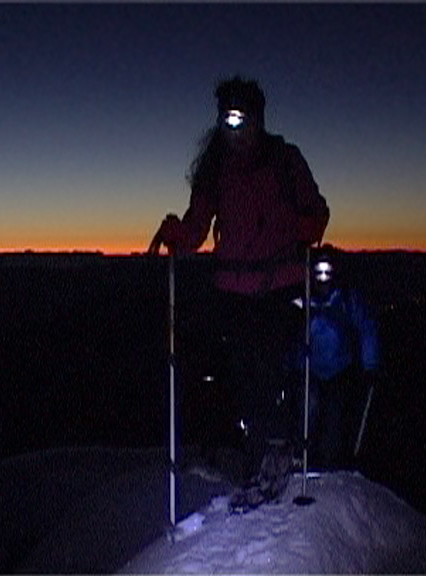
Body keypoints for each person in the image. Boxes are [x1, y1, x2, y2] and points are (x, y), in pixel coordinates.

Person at [150, 76, 330, 492]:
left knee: (263, 364)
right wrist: (178, 235)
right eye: (227, 120)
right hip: (233, 286)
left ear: (258, 119)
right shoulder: (216, 168)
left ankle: (275, 450)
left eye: (241, 119)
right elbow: (197, 226)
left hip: (280, 283)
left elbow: (316, 213)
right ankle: (255, 453)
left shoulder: (285, 160)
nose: (235, 130)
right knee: (236, 370)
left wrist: (295, 230)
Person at [294, 246, 381, 470]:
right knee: (308, 409)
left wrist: (370, 364)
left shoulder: (346, 300)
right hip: (310, 370)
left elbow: (367, 328)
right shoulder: (303, 300)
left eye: (327, 272)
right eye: (318, 272)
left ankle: (329, 464)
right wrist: (294, 360)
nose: (323, 278)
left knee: (334, 417)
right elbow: (290, 334)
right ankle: (304, 457)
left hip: (340, 370)